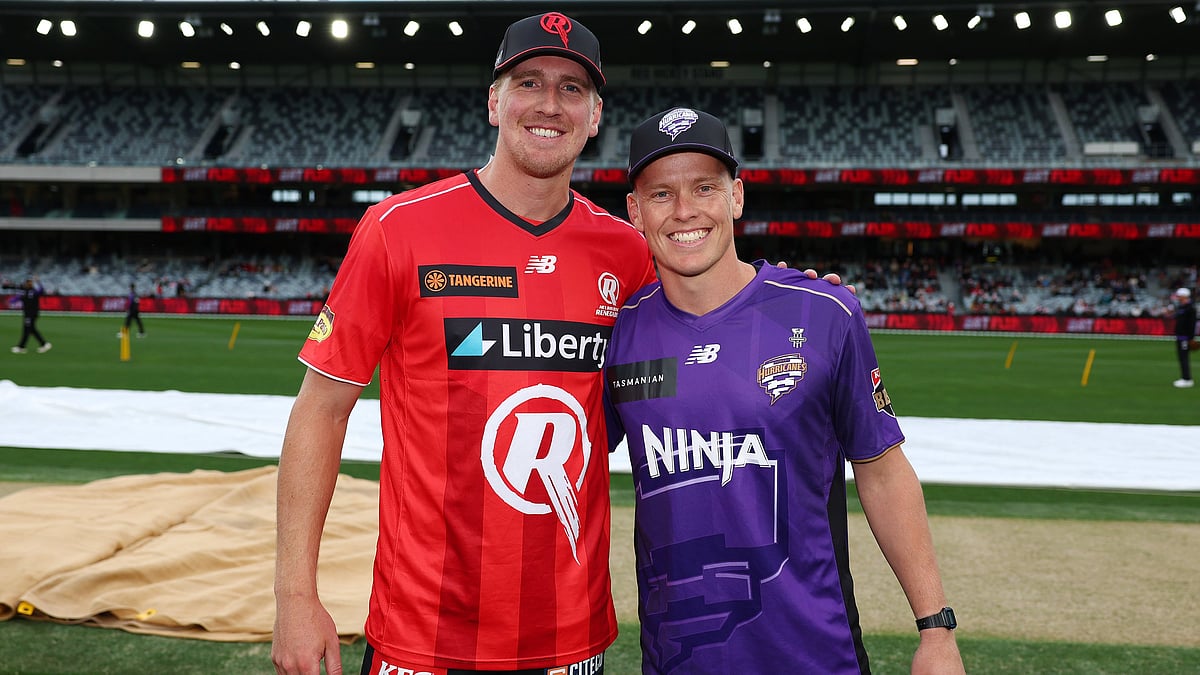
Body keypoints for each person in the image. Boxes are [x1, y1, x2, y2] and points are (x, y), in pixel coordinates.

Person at [270, 12, 651, 675]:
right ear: (494, 101)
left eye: (571, 89)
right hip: (423, 636)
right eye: (528, 81)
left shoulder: (626, 250)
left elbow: (703, 345)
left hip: (571, 635)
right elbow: (320, 411)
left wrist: (798, 301)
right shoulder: (397, 229)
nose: (549, 104)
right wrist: (295, 595)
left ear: (595, 116)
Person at [604, 108, 965, 674]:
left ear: (737, 197)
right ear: (635, 211)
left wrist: (936, 630)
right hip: (679, 659)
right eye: (660, 194)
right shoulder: (620, 332)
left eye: (704, 188)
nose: (684, 212)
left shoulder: (824, 311)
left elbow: (883, 471)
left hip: (815, 654)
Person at [5, 277, 51, 354]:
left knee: (27, 330)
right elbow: (17, 297)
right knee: (31, 329)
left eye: (28, 283)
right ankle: (44, 344)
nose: (27, 284)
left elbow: (41, 290)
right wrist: (11, 301)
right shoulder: (27, 292)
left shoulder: (32, 292)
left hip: (31, 314)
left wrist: (38, 281)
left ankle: (21, 347)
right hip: (29, 314)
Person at [1172, 287, 1196, 388]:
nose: (1178, 298)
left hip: (1185, 338)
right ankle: (1185, 378)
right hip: (1180, 336)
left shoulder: (1190, 308)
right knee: (1181, 358)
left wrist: (1190, 338)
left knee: (1184, 358)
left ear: (1184, 296)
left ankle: (1187, 379)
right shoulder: (1182, 307)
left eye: (1179, 296)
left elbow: (1191, 325)